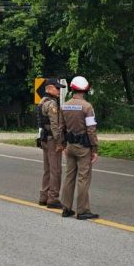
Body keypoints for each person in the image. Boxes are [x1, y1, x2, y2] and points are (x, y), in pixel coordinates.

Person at [59, 76, 99, 220]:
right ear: (86, 89)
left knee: (69, 177)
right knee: (83, 178)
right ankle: (82, 211)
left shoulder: (64, 106)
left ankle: (66, 208)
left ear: (72, 88)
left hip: (70, 146)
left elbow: (61, 127)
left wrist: (62, 144)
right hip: (83, 148)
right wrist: (94, 149)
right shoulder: (87, 107)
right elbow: (91, 129)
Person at [36, 78, 65, 209]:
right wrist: (59, 142)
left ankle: (44, 196)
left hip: (44, 138)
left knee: (47, 170)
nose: (59, 90)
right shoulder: (52, 104)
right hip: (52, 140)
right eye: (57, 88)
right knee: (56, 170)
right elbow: (55, 125)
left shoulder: (42, 101)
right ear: (49, 88)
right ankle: (53, 198)